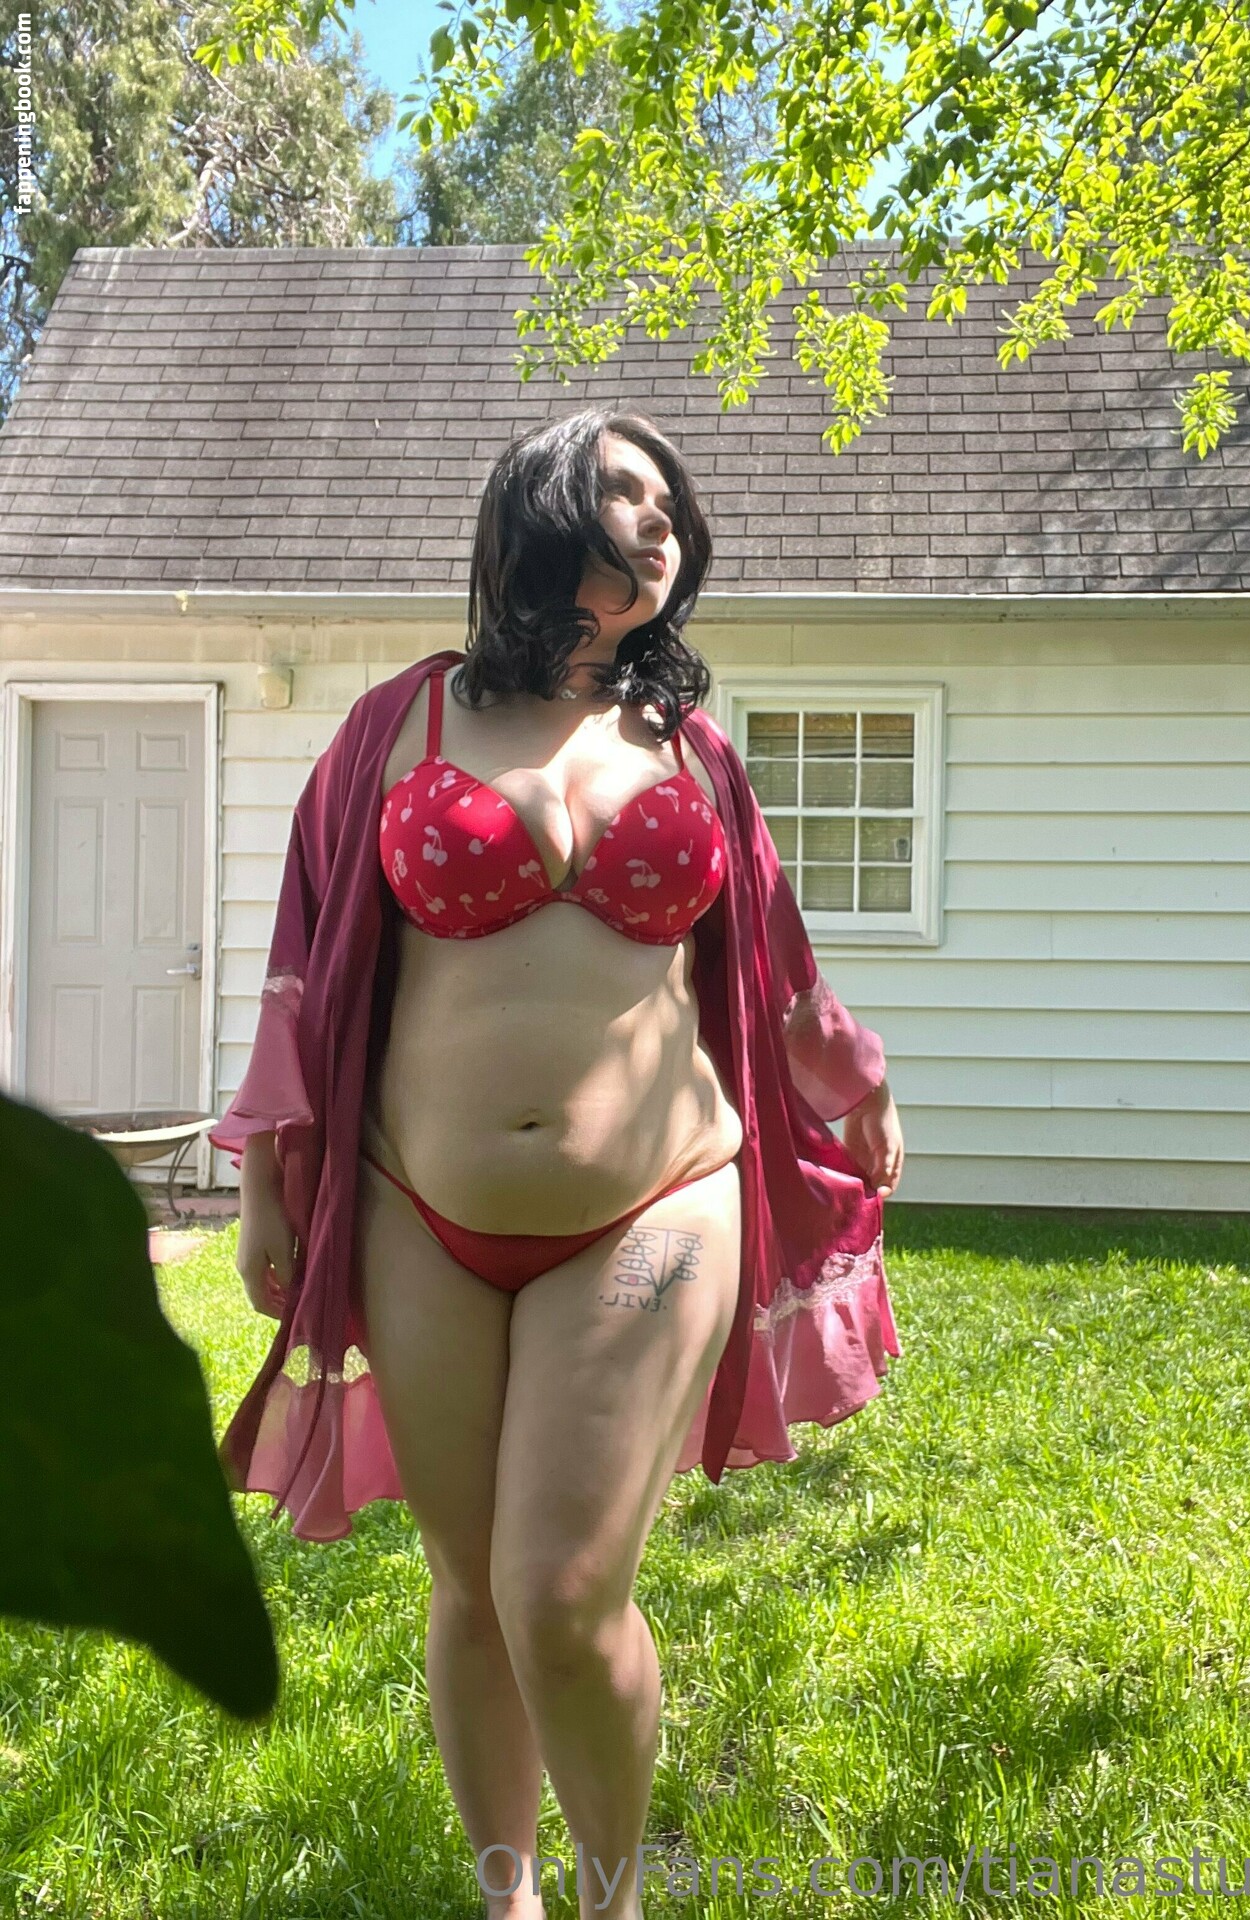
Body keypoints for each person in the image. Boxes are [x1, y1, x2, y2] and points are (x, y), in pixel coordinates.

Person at [211, 406, 905, 1920]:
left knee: (563, 1592)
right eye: (624, 496)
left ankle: (614, 1896)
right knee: (473, 1590)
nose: (659, 526)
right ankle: (508, 1898)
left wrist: (853, 1085)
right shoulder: (395, 726)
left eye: (671, 511)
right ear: (540, 515)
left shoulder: (690, 752)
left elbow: (773, 956)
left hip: (657, 1206)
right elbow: (306, 963)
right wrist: (270, 1176)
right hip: (417, 1205)